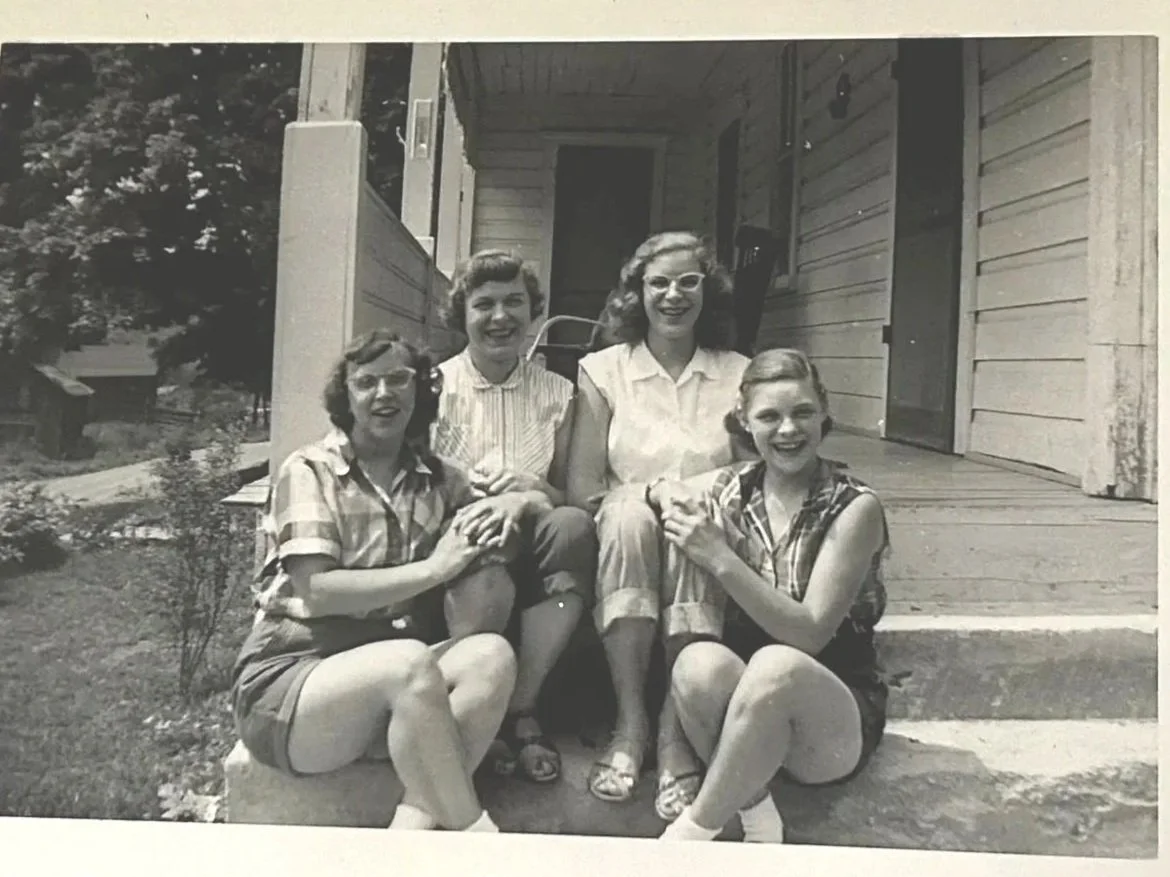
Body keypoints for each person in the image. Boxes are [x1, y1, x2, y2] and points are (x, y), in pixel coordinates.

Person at [230, 329, 524, 833]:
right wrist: (436, 569)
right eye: (366, 382)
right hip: (294, 685)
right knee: (408, 662)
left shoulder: (438, 477)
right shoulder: (310, 471)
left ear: (420, 391)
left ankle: (408, 836)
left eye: (398, 380)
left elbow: (509, 525)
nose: (384, 394)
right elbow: (317, 592)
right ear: (345, 396)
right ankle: (478, 837)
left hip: (389, 689)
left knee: (491, 656)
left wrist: (515, 501)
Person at [654, 348, 890, 843]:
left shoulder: (853, 507)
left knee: (776, 665)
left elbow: (808, 634)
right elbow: (661, 487)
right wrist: (662, 492)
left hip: (827, 718)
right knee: (696, 664)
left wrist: (719, 556)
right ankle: (759, 820)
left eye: (802, 412)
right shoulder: (733, 487)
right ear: (744, 420)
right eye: (769, 416)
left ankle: (691, 835)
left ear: (824, 412)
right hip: (742, 719)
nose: (788, 430)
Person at [566, 231, 750, 816]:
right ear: (636, 293)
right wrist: (650, 494)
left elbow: (750, 477)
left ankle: (674, 736)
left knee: (704, 519)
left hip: (706, 519)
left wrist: (689, 496)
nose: (674, 295)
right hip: (626, 522)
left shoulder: (738, 373)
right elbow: (584, 486)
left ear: (708, 291)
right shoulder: (602, 371)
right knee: (624, 516)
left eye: (689, 281)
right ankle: (630, 723)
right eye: (659, 283)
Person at [432, 250, 598, 784]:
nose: (500, 316)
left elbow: (571, 496)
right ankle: (478, 705)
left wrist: (529, 492)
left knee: (573, 526)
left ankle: (519, 708)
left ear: (532, 312)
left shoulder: (560, 393)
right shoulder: (432, 389)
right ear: (462, 315)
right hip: (464, 547)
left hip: (542, 540)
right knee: (484, 540)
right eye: (484, 304)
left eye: (514, 302)